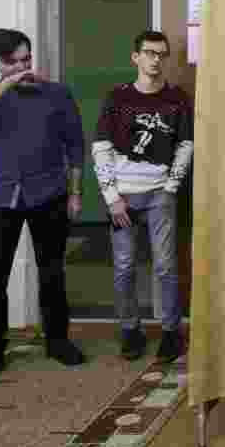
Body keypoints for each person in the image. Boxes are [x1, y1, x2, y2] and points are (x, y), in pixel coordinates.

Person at [0, 28, 86, 390]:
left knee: (52, 272)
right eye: (12, 62)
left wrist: (75, 193)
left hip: (49, 196)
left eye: (26, 59)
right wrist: (4, 86)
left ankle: (58, 340)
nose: (22, 67)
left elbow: (75, 146)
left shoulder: (56, 94)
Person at [92, 31, 194, 362]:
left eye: (161, 54)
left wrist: (171, 186)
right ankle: (130, 330)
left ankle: (171, 332)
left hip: (160, 194)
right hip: (122, 196)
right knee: (124, 266)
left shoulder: (177, 99)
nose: (156, 60)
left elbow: (185, 145)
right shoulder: (117, 98)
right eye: (149, 53)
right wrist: (111, 196)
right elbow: (101, 147)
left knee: (165, 265)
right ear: (135, 57)